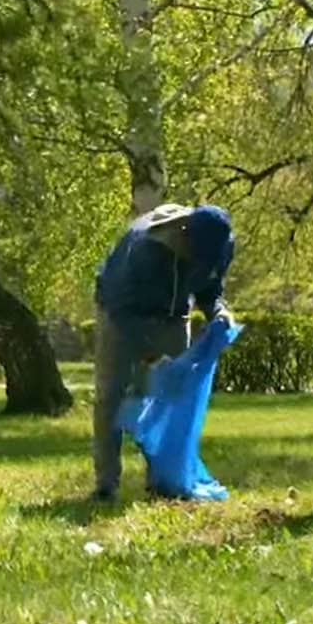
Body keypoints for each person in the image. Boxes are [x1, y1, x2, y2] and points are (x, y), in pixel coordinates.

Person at [90, 203, 236, 502]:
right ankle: (107, 484)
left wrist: (219, 312)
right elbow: (122, 309)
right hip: (121, 314)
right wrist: (149, 354)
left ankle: (163, 482)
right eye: (196, 254)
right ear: (184, 236)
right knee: (111, 396)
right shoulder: (146, 248)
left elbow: (210, 290)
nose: (200, 261)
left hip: (173, 316)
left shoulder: (220, 245)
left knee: (171, 395)